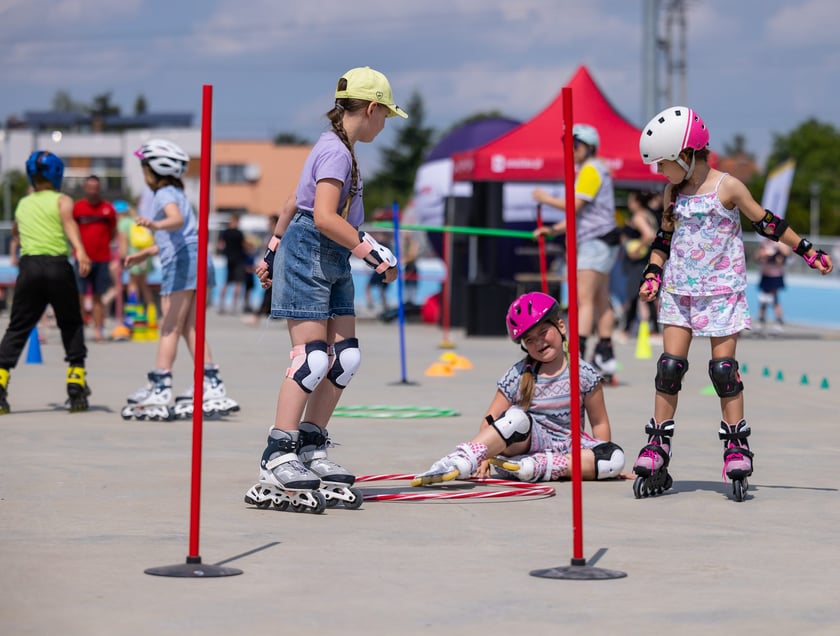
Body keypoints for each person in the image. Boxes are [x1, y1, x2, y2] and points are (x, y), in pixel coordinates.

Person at [632, 106, 833, 501]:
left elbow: (767, 222)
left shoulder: (729, 187)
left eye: (663, 163)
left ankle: (736, 446)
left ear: (686, 156)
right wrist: (653, 273)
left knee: (723, 371)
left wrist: (806, 250)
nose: (659, 172)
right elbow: (663, 240)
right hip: (679, 292)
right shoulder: (672, 192)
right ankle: (658, 445)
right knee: (669, 369)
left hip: (722, 291)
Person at [245, 66, 406, 513]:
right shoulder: (336, 152)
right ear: (371, 109)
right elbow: (320, 217)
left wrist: (270, 250)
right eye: (385, 116)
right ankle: (277, 454)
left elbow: (291, 201)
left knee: (345, 356)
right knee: (312, 360)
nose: (384, 125)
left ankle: (311, 445)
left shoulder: (339, 149)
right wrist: (372, 254)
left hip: (326, 256)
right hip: (312, 253)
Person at [413, 292, 627, 485]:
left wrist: (604, 462)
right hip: (526, 443)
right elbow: (491, 417)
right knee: (516, 418)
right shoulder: (518, 374)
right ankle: (463, 458)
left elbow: (599, 422)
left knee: (614, 457)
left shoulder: (584, 373)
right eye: (529, 339)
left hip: (569, 450)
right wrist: (484, 457)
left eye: (543, 332)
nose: (539, 342)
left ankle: (537, 467)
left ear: (561, 326)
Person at [121, 139, 239, 421]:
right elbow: (182, 232)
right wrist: (146, 253)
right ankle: (211, 381)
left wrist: (155, 224)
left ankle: (161, 386)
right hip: (196, 258)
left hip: (183, 262)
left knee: (169, 327)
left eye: (144, 168)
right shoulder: (178, 192)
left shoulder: (164, 195)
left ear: (154, 170)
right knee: (189, 328)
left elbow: (173, 221)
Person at [0, 151, 92, 414]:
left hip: (29, 268)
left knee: (18, 327)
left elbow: (17, 230)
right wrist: (81, 251)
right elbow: (69, 223)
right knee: (70, 323)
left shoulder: (23, 203)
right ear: (57, 175)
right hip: (56, 267)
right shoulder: (63, 200)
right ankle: (76, 384)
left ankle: (0, 382)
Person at [532, 123, 621, 383]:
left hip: (595, 241)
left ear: (588, 146)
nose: (571, 151)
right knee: (601, 299)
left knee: (584, 300)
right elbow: (578, 214)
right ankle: (605, 355)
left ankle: (577, 357)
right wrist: (553, 229)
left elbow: (574, 206)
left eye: (576, 146)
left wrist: (544, 198)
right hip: (603, 239)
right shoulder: (596, 168)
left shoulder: (591, 169)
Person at [73, 175, 117, 342]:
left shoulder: (108, 208)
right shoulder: (77, 208)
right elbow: (71, 230)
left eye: (95, 187)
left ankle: (98, 331)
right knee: (80, 295)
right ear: (85, 188)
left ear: (99, 189)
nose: (93, 190)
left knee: (99, 296)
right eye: (90, 187)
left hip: (102, 258)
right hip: (82, 259)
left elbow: (113, 232)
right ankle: (79, 331)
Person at [618, 190, 661, 341]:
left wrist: (636, 248)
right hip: (647, 260)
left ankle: (627, 330)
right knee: (647, 294)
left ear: (636, 202)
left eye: (630, 201)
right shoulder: (649, 214)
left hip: (638, 262)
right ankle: (652, 330)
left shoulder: (638, 217)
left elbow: (649, 235)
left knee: (636, 295)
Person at [755, 239, 790, 334]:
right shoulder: (764, 242)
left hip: (776, 275)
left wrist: (777, 250)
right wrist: (763, 254)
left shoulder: (779, 242)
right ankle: (761, 320)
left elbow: (786, 253)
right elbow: (757, 256)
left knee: (774, 299)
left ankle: (779, 322)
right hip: (765, 274)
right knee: (763, 299)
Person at [217, 213, 247, 314]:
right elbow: (244, 245)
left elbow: (220, 245)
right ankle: (234, 307)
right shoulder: (239, 233)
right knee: (237, 283)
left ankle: (221, 305)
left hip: (229, 259)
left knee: (226, 282)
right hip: (238, 259)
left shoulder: (225, 232)